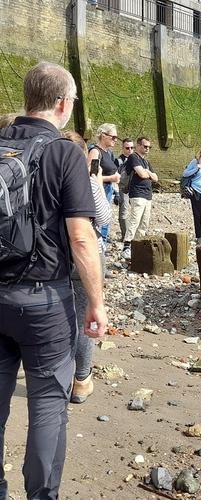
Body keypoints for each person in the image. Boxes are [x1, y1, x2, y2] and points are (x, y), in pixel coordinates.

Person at [0, 62, 107, 500]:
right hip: (44, 298)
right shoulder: (65, 153)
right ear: (63, 104)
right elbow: (82, 237)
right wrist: (97, 303)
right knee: (46, 403)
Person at [64, 131, 111, 404]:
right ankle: (81, 380)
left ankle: (59, 372)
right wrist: (96, 182)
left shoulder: (44, 174)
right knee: (86, 319)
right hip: (85, 255)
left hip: (52, 256)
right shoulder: (85, 179)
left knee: (58, 316)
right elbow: (103, 218)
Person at [121, 136, 158, 260]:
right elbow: (142, 174)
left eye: (149, 147)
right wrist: (146, 174)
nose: (147, 149)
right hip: (137, 194)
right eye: (145, 146)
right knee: (134, 220)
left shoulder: (146, 162)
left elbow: (156, 178)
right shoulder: (133, 157)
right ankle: (127, 246)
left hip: (148, 195)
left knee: (144, 223)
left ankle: (138, 246)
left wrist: (147, 172)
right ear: (138, 146)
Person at [87, 123, 120, 247]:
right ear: (103, 135)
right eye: (113, 137)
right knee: (100, 222)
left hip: (108, 189)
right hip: (100, 190)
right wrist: (111, 178)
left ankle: (103, 250)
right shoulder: (95, 152)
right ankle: (99, 249)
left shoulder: (108, 153)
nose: (115, 140)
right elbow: (91, 176)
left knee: (105, 221)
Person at [115, 137, 135, 241]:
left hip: (135, 189)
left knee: (135, 211)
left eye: (132, 148)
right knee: (124, 211)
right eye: (127, 148)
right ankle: (125, 235)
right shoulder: (118, 161)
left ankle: (132, 235)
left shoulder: (136, 159)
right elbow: (115, 176)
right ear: (122, 148)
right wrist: (116, 192)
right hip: (123, 188)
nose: (130, 150)